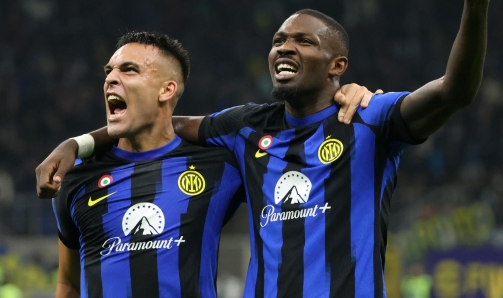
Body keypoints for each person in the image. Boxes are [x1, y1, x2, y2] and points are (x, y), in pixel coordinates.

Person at [38, 0, 489, 296]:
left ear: (338, 65)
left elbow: (455, 92)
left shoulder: (369, 116)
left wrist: (476, 8)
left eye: (302, 41)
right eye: (278, 41)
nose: (284, 48)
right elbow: (159, 123)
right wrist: (76, 144)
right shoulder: (247, 127)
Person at [52, 31, 249, 298]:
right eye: (109, 71)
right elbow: (68, 284)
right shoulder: (76, 176)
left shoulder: (220, 166)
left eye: (129, 70)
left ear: (166, 90)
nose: (110, 78)